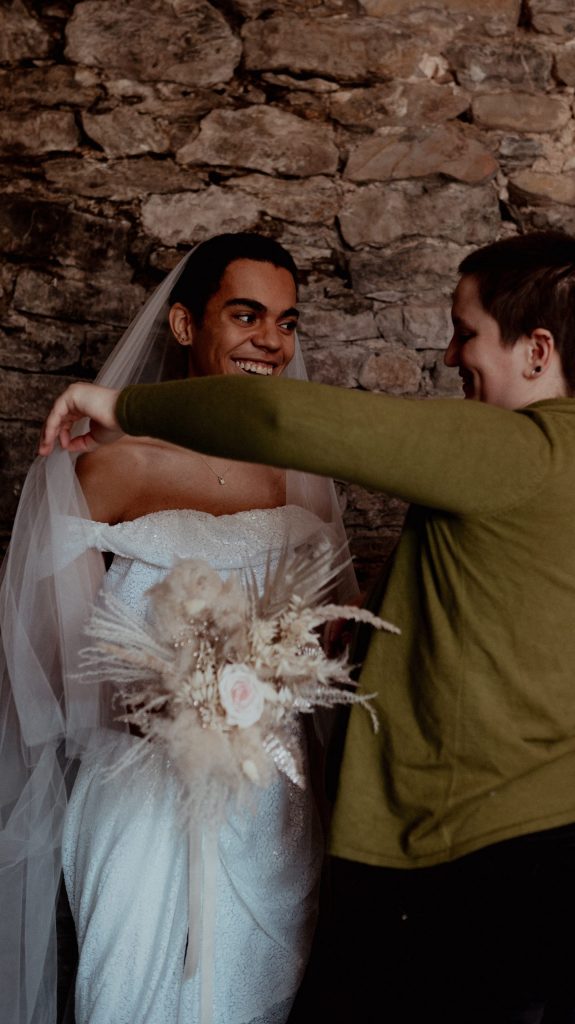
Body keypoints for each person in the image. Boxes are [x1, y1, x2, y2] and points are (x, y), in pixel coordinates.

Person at [41, 230, 575, 1023]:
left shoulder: (516, 450)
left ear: (536, 350)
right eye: (248, 315)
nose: (449, 355)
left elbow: (286, 421)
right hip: (158, 790)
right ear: (185, 325)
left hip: (464, 846)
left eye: (464, 333)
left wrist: (114, 401)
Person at [1, 232, 355, 1024]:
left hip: (272, 797)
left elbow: (328, 633)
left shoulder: (303, 472)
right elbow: (46, 659)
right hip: (141, 790)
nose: (272, 340)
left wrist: (307, 652)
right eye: (247, 314)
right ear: (187, 325)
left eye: (287, 321)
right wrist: (175, 700)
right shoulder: (116, 465)